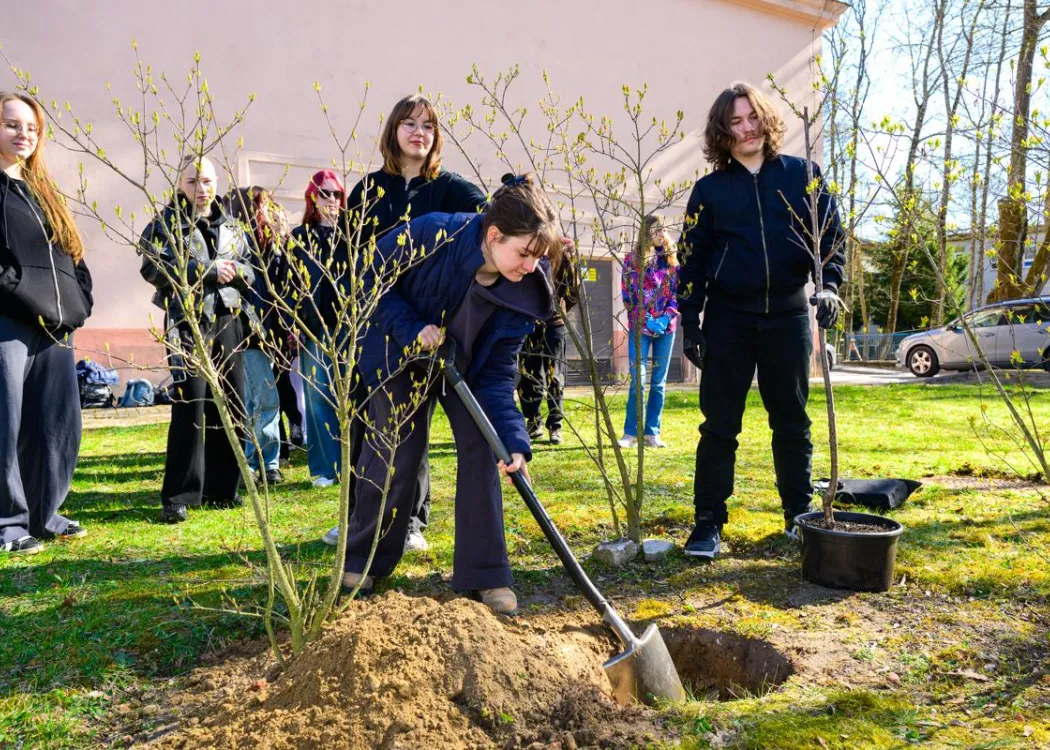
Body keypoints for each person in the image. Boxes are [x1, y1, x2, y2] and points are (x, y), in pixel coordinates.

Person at [341, 174, 561, 616]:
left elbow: (498, 374)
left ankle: (486, 574)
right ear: (494, 235)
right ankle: (362, 560)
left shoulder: (524, 288)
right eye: (524, 254)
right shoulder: (435, 232)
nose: (530, 266)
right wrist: (411, 329)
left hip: (466, 367)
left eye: (538, 258)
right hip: (395, 349)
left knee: (485, 445)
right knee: (397, 450)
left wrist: (515, 441)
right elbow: (367, 278)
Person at [676, 82, 845, 559]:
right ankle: (708, 522)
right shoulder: (709, 192)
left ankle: (798, 514)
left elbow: (830, 238)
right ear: (722, 131)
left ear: (766, 121)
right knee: (719, 426)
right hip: (728, 319)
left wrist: (828, 286)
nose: (746, 128)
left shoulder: (802, 176)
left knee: (792, 421)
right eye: (735, 121)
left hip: (788, 317)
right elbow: (691, 262)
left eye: (753, 118)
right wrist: (692, 323)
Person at [320, 94, 486, 551]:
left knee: (413, 423)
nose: (418, 132)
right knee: (365, 424)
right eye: (409, 123)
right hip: (375, 323)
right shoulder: (369, 191)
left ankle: (411, 520)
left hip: (428, 329)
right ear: (393, 130)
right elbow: (351, 263)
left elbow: (491, 219)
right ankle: (359, 518)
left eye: (428, 126)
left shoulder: (453, 189)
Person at [0, 92, 93, 554]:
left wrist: (81, 301)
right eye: (13, 125)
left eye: (32, 128)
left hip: (56, 326)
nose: (24, 135)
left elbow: (73, 255)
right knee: (7, 423)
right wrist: (17, 293)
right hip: (8, 322)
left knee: (58, 422)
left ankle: (43, 512)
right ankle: (8, 523)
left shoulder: (44, 192)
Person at [139, 155, 255, 524]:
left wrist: (240, 272)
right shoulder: (165, 225)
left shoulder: (234, 226)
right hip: (189, 322)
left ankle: (223, 489)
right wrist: (204, 270)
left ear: (217, 182)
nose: (201, 189)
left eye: (207, 181)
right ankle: (180, 495)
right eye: (192, 182)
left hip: (228, 320)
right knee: (191, 404)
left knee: (232, 403)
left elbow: (253, 267)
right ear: (179, 185)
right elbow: (152, 267)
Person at [289, 170, 347, 489]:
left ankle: (351, 463)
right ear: (313, 196)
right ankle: (325, 468)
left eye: (336, 194)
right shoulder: (300, 237)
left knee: (348, 397)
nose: (331, 200)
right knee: (317, 398)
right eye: (325, 193)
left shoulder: (351, 237)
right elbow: (291, 285)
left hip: (348, 329)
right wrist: (296, 324)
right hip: (314, 330)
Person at [226, 186, 288, 485]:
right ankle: (264, 463)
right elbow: (238, 290)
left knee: (258, 400)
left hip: (268, 332)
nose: (270, 210)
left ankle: (259, 462)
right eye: (264, 205)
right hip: (247, 333)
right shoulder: (234, 241)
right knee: (265, 399)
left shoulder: (267, 246)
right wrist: (253, 325)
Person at [618, 215, 679, 449]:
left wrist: (665, 317)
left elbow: (677, 293)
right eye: (655, 230)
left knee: (658, 383)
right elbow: (629, 296)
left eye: (663, 230)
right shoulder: (633, 261)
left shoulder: (672, 263)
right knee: (639, 380)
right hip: (640, 328)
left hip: (666, 329)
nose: (660, 234)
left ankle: (652, 432)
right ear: (645, 233)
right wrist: (647, 320)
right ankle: (630, 433)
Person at [517, 239, 579, 446]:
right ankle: (533, 422)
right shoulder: (525, 251)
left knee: (555, 375)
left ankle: (556, 425)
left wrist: (560, 309)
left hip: (554, 323)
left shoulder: (559, 255)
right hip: (528, 322)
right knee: (529, 374)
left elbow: (572, 289)